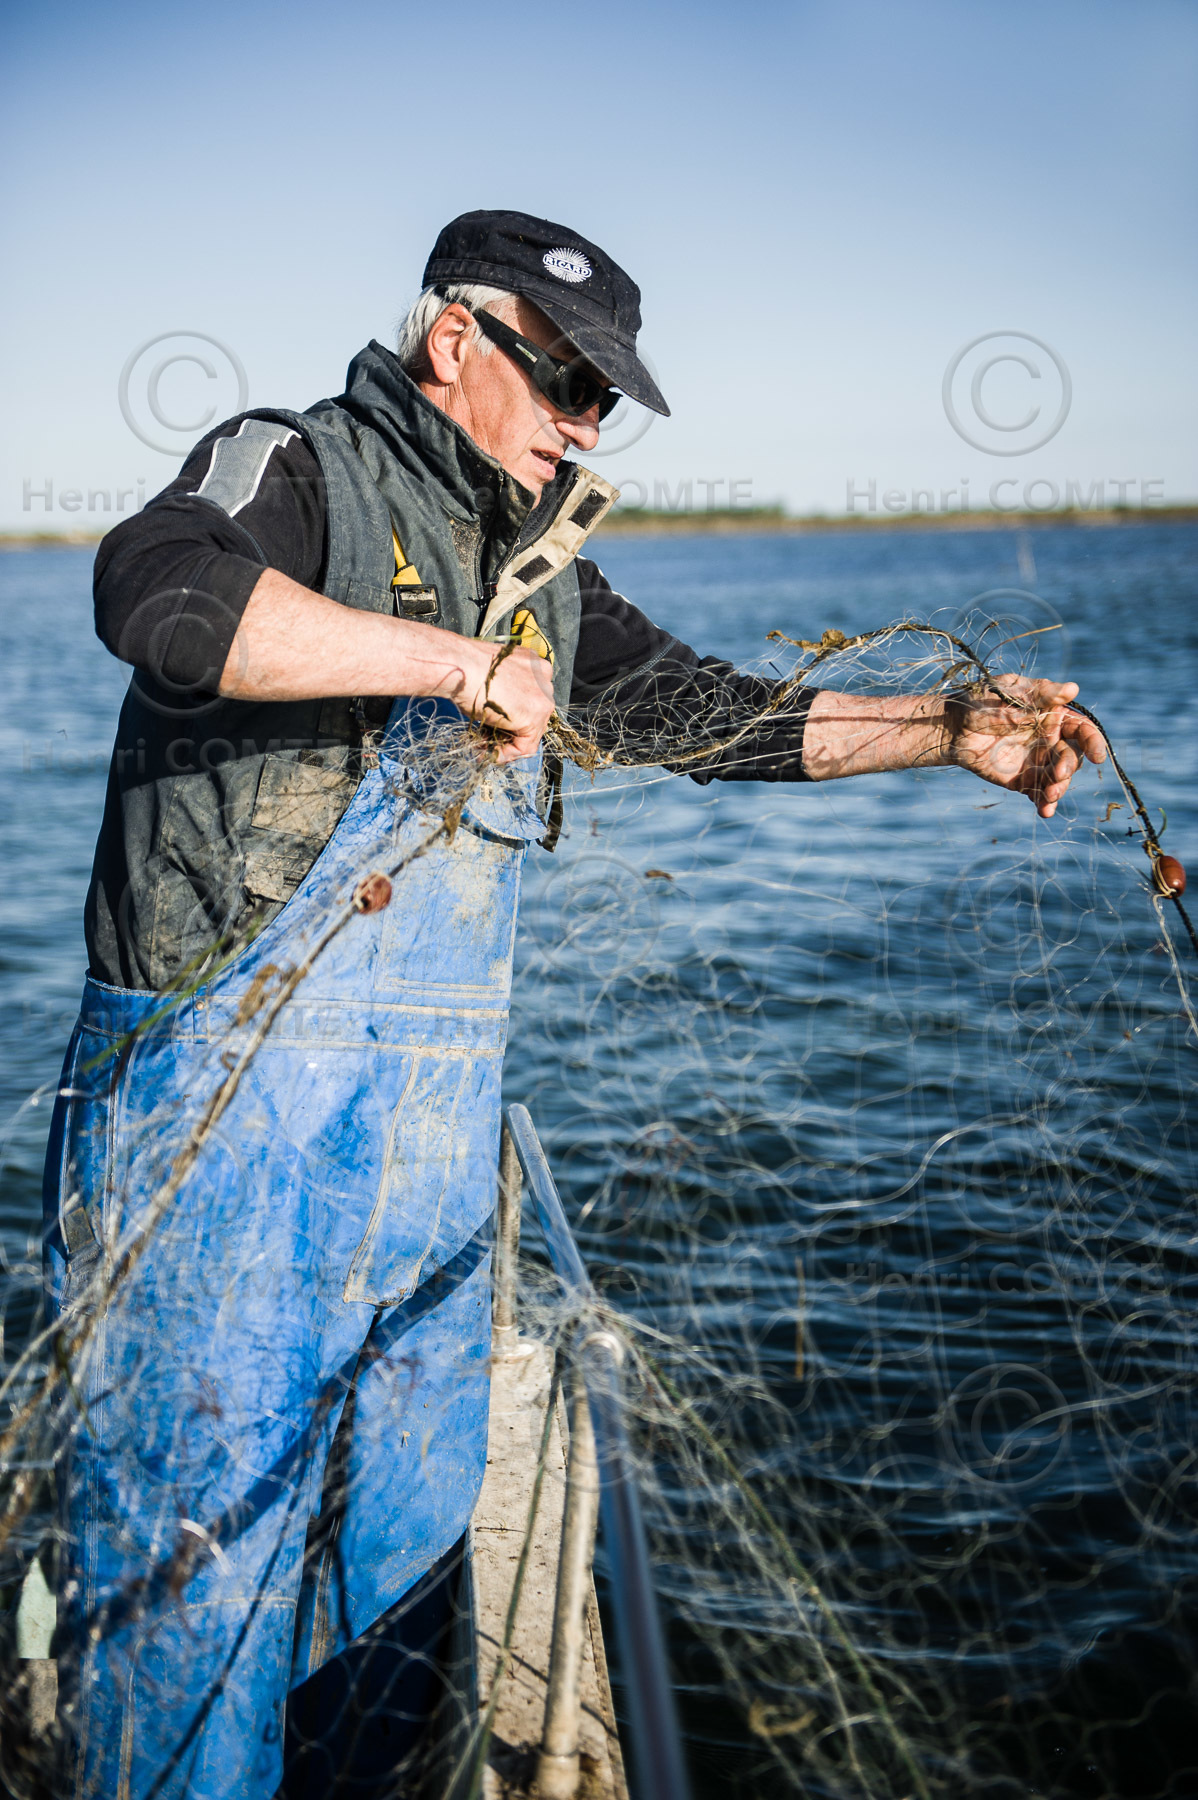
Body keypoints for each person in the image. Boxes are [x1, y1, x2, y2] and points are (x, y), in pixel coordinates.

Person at [41, 209, 1105, 1799]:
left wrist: (947, 728)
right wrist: (447, 665)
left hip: (416, 1176)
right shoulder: (296, 467)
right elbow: (160, 598)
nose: (585, 425)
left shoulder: (541, 574)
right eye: (567, 383)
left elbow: (713, 718)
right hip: (214, 1160)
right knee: (190, 1568)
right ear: (452, 339)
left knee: (390, 1565)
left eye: (607, 401)